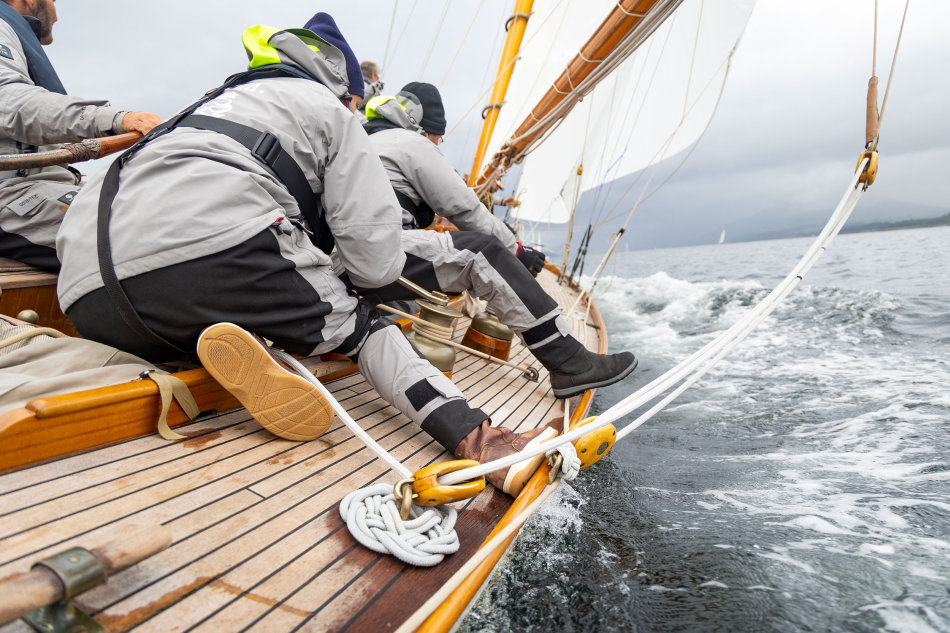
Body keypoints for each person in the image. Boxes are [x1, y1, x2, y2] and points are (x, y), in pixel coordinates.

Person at [54, 15, 554, 497]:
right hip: (215, 255)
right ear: (348, 92)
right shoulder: (334, 111)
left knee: (228, 290)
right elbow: (375, 267)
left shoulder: (206, 103)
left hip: (84, 293)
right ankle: (485, 443)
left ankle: (232, 343)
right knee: (362, 326)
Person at [361, 82, 639, 401]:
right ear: (425, 130)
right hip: (371, 254)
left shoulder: (366, 137)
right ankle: (571, 363)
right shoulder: (411, 143)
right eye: (439, 137)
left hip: (345, 259)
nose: (438, 144)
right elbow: (465, 210)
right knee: (485, 253)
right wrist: (516, 250)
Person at [0, 0, 161, 270]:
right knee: (150, 232)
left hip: (34, 190)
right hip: (12, 195)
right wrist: (117, 119)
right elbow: (8, 101)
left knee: (159, 210)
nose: (56, 15)